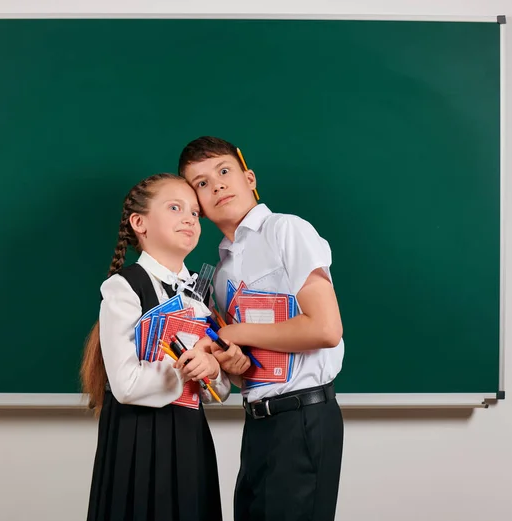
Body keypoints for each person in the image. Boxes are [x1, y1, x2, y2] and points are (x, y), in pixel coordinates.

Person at [179, 137, 345, 521]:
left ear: (249, 178)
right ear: (198, 208)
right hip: (257, 423)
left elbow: (325, 328)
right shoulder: (221, 273)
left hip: (303, 417)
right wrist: (232, 362)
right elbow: (248, 370)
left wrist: (234, 334)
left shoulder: (286, 230)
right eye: (201, 183)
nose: (217, 184)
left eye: (224, 171)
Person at [81, 172, 238, 521]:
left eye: (195, 213)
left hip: (189, 437)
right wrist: (184, 370)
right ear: (140, 222)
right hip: (137, 441)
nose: (189, 218)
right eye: (175, 208)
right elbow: (125, 385)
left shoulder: (200, 297)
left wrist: (212, 369)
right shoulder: (124, 288)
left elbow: (220, 390)